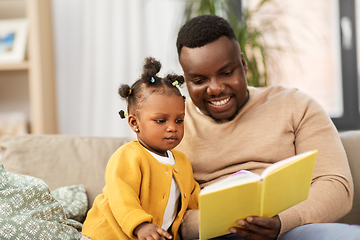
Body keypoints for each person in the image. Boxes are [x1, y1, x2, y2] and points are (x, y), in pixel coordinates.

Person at [175, 14, 360, 240]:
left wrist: (281, 222)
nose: (215, 89)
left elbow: (336, 185)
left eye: (226, 73)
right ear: (186, 79)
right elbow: (156, 209)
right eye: (199, 80)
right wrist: (224, 221)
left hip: (293, 228)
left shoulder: (296, 105)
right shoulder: (170, 124)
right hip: (212, 235)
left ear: (243, 64)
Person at [81, 57, 200, 240]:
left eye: (179, 120)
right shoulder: (128, 156)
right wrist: (141, 225)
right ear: (134, 123)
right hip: (106, 235)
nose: (172, 127)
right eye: (161, 120)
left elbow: (194, 201)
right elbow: (121, 196)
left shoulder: (182, 162)